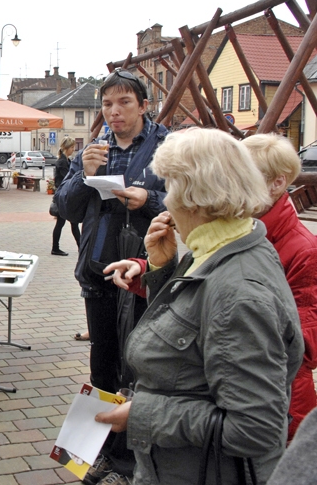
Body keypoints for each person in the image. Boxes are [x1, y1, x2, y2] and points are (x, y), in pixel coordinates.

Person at [96, 127, 304, 485]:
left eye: (170, 187)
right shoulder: (222, 245)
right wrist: (162, 270)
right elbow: (187, 336)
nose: (167, 200)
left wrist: (144, 413)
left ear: (195, 197)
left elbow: (255, 429)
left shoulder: (239, 289)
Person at [55, 68, 169, 484]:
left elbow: (189, 201)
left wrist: (149, 198)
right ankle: (97, 452)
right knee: (102, 365)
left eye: (124, 102)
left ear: (143, 105)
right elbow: (63, 208)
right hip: (98, 271)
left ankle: (130, 462)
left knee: (138, 369)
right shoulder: (94, 148)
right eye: (107, 104)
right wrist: (84, 176)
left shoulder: (166, 147)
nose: (114, 111)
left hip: (146, 275)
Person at [243, 133, 317, 442]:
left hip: (281, 400)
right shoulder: (241, 229)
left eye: (246, 176)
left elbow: (307, 344)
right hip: (249, 388)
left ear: (277, 183)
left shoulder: (303, 249)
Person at [51, 136, 81, 256]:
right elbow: (66, 179)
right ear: (66, 148)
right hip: (63, 196)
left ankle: (80, 247)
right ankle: (56, 248)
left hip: (66, 195)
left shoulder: (67, 161)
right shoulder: (62, 162)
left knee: (70, 223)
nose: (73, 149)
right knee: (64, 222)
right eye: (72, 147)